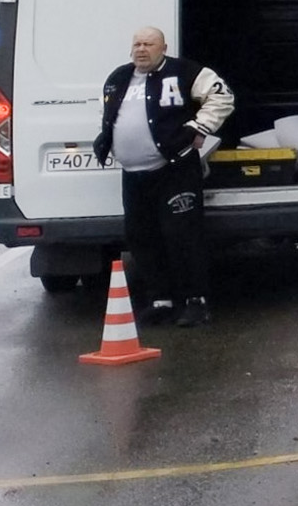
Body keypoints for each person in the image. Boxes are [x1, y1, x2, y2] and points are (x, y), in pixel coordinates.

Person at [92, 27, 234, 327]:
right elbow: (109, 114)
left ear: (163, 48)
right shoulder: (119, 77)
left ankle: (196, 301)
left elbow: (222, 97)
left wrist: (198, 128)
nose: (141, 49)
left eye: (149, 44)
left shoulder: (184, 72)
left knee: (182, 235)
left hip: (175, 170)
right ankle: (160, 300)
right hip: (133, 176)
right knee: (141, 238)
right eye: (137, 44)